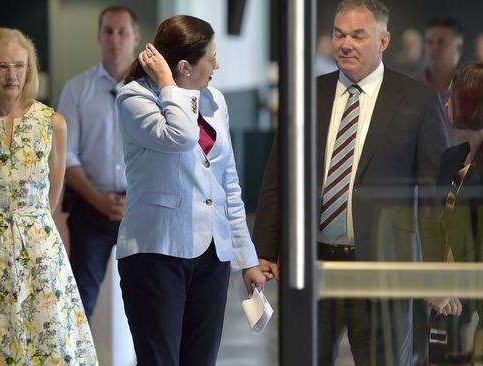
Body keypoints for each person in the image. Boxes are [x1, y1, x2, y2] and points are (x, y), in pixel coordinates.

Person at [252, 0, 448, 365]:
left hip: (384, 268)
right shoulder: (308, 94)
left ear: (383, 41)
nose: (345, 44)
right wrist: (264, 248)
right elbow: (277, 176)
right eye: (339, 34)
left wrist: (436, 269)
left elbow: (435, 196)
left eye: (359, 36)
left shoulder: (418, 102)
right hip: (312, 267)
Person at [0, 28, 98, 364]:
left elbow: (50, 198)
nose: (12, 75)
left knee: (46, 342)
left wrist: (25, 227)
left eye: (19, 66)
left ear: (29, 70)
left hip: (37, 248)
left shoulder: (52, 124)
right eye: (1, 66)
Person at [115, 15, 266, 365]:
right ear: (184, 66)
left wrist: (247, 259)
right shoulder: (134, 98)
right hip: (156, 252)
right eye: (211, 57)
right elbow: (179, 136)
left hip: (212, 256)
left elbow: (228, 184)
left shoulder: (214, 100)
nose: (218, 65)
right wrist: (170, 85)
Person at [57, 5, 139, 319]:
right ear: (98, 36)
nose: (114, 39)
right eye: (108, 31)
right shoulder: (76, 89)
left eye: (122, 32)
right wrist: (98, 200)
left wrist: (135, 201)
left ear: (135, 37)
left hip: (142, 211)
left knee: (148, 301)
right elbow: (66, 155)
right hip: (90, 209)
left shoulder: (154, 90)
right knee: (80, 302)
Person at [426, 62, 483, 364]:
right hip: (444, 303)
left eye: (453, 96)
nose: (446, 102)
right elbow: (432, 228)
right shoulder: (451, 158)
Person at [415, 17, 466, 146]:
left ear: (459, 48)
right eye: (429, 42)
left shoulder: (473, 88)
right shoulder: (410, 87)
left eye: (441, 42)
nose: (434, 48)